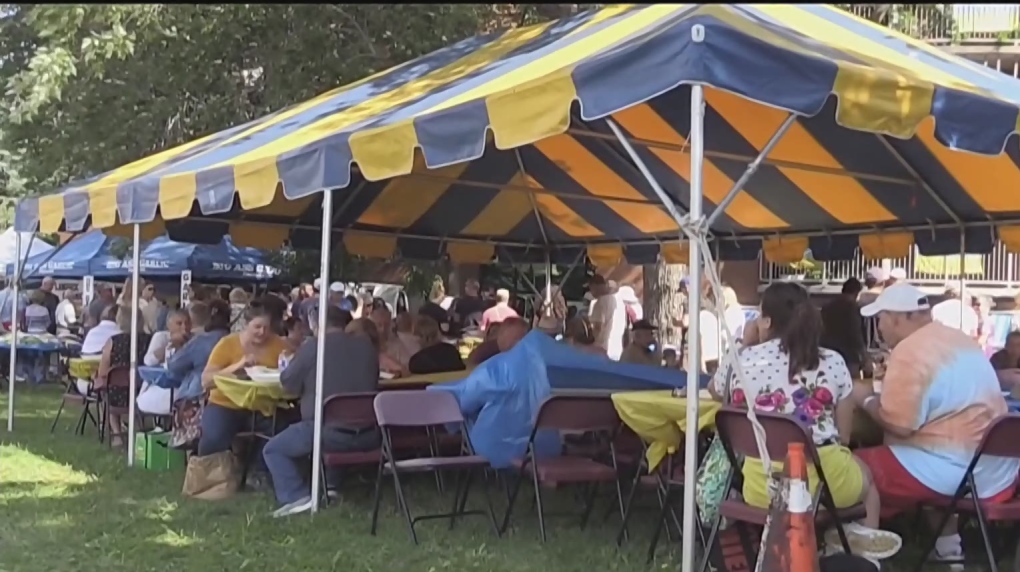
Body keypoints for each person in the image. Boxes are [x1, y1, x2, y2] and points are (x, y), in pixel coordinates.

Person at [710, 282, 897, 565]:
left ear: (766, 320)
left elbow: (714, 389)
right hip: (826, 480)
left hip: (762, 486)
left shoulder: (742, 360)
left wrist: (743, 342)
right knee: (867, 482)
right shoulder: (832, 361)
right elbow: (843, 438)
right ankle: (860, 558)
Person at [854, 282, 1020, 564]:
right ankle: (948, 547)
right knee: (922, 450)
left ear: (897, 317)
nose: (879, 326)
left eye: (880, 318)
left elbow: (900, 425)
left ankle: (858, 550)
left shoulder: (910, 351)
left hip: (955, 473)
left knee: (852, 467)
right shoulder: (960, 339)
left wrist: (865, 400)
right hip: (999, 472)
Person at [198, 305, 289, 465]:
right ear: (246, 324)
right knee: (215, 436)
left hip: (263, 405)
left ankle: (259, 471)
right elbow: (206, 381)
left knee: (281, 429)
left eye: (266, 328)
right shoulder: (227, 344)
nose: (262, 332)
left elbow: (290, 371)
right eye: (257, 327)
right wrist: (237, 366)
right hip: (225, 403)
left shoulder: (279, 345)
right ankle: (208, 471)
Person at [94, 306, 151, 448]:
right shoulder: (150, 340)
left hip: (116, 393)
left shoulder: (113, 341)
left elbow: (103, 371)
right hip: (143, 391)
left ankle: (117, 435)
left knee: (106, 390)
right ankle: (140, 430)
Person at [164, 300, 232, 404]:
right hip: (230, 396)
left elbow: (174, 366)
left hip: (197, 395)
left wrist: (176, 348)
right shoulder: (236, 340)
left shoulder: (200, 341)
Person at [821, 278, 869, 378]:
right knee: (852, 385)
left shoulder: (827, 306)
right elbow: (856, 333)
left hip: (828, 351)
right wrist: (865, 356)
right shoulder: (852, 306)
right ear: (857, 292)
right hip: (849, 354)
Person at [588, 275, 627, 360]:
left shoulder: (600, 303)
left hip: (602, 350)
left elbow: (597, 327)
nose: (591, 292)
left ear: (594, 286)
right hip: (617, 349)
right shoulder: (619, 302)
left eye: (590, 289)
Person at [369, 304, 411, 375]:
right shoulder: (365, 345)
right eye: (379, 325)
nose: (383, 329)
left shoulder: (397, 345)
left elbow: (407, 368)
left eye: (386, 325)